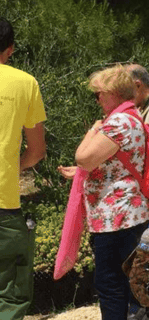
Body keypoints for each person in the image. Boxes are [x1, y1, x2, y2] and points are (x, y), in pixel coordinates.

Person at [58, 65, 149, 319]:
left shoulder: (118, 122)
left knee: (110, 284)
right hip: (131, 212)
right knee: (126, 282)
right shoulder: (133, 116)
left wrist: (93, 129)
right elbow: (111, 162)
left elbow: (84, 158)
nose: (97, 98)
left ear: (113, 92)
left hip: (115, 217)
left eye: (99, 93)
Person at [0, 17, 47, 319]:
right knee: (9, 294)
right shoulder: (24, 83)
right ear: (11, 49)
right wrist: (9, 168)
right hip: (3, 203)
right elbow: (37, 151)